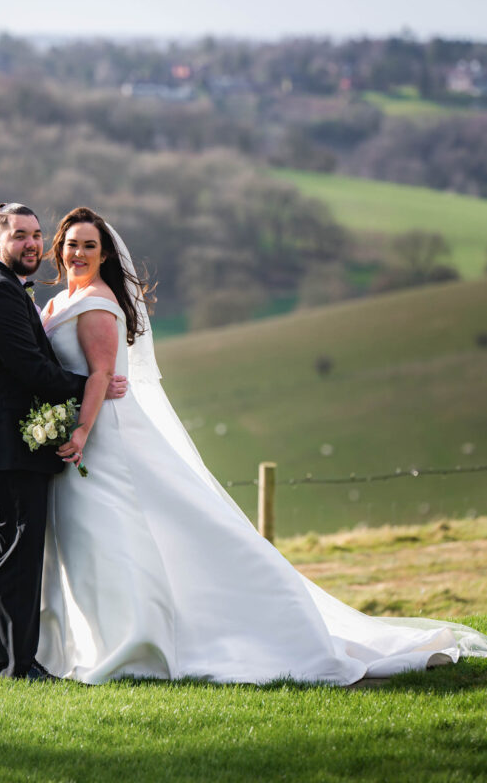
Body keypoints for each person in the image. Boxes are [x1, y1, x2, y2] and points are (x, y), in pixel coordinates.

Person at [34, 206, 487, 685]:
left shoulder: (97, 303)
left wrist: (81, 429)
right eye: (72, 244)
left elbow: (103, 374)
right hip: (84, 436)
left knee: (162, 527)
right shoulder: (59, 302)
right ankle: (100, 639)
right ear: (59, 250)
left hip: (104, 438)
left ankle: (145, 640)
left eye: (89, 245)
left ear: (104, 255)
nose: (79, 253)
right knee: (106, 536)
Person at [0, 202, 127, 679]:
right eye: (19, 236)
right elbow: (29, 368)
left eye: (35, 234)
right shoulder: (0, 292)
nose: (31, 243)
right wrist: (90, 384)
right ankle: (16, 666)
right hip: (3, 441)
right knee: (16, 550)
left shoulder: (2, 286)